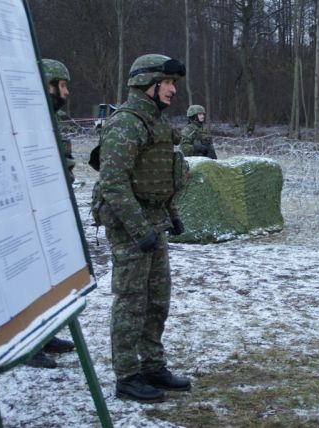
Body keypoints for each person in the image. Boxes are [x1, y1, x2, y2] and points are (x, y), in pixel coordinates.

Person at [97, 54, 190, 402]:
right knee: (131, 303)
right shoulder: (126, 123)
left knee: (157, 301)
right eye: (167, 83)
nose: (172, 90)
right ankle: (127, 376)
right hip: (129, 227)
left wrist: (171, 214)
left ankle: (152, 365)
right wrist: (140, 231)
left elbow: (159, 178)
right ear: (146, 83)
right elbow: (114, 184)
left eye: (173, 83)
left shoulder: (156, 124)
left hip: (154, 222)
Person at [25, 59, 76, 369]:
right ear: (46, 85)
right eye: (62, 86)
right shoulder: (26, 119)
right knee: (30, 279)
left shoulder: (52, 119)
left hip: (53, 206)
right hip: (32, 210)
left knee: (49, 278)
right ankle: (29, 343)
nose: (66, 93)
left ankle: (46, 333)